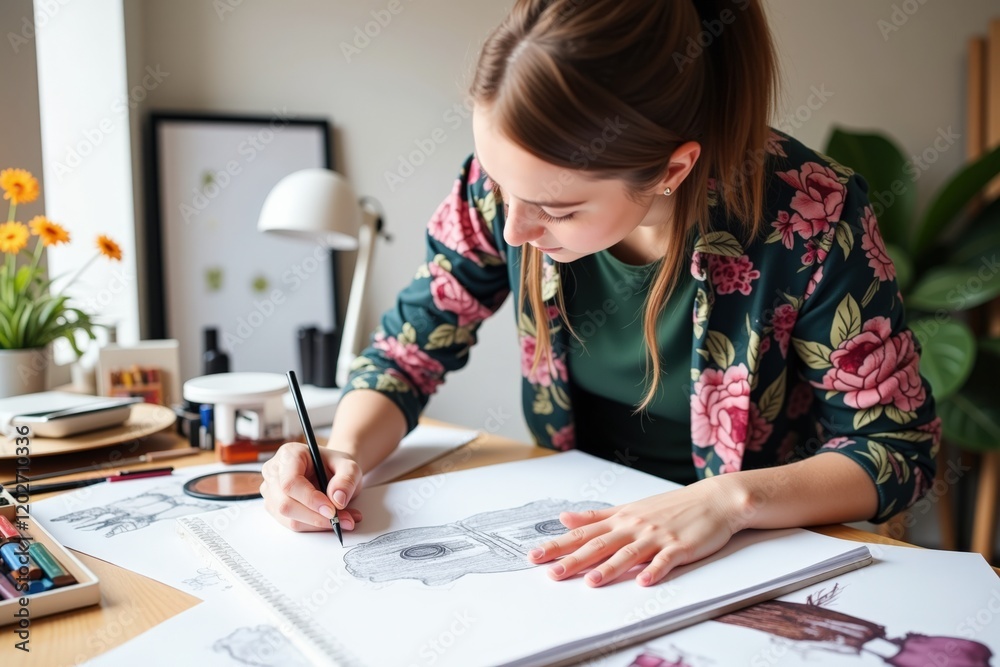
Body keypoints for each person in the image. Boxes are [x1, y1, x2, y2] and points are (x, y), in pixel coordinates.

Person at [260, 0, 939, 589]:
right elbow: (407, 353)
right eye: (501, 187)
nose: (516, 228)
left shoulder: (811, 215)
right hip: (574, 537)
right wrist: (344, 452)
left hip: (749, 550)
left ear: (672, 170)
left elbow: (896, 445)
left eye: (557, 208)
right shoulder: (504, 191)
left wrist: (728, 501)